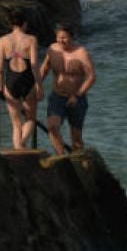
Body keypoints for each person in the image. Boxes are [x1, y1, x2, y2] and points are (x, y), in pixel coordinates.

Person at [40, 24, 96, 155]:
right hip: (57, 96)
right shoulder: (53, 50)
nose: (61, 41)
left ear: (71, 36)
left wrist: (77, 95)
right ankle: (61, 157)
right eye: (59, 37)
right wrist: (37, 86)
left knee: (76, 139)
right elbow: (44, 69)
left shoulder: (81, 53)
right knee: (52, 128)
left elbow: (91, 77)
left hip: (77, 98)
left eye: (64, 38)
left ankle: (79, 164)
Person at [0, 8, 43, 149]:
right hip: (27, 80)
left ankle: (18, 150)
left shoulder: (2, 40)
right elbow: (34, 64)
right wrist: (39, 85)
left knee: (16, 124)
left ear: (11, 24)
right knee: (30, 119)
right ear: (25, 24)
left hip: (10, 81)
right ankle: (22, 144)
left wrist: (0, 86)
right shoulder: (31, 39)